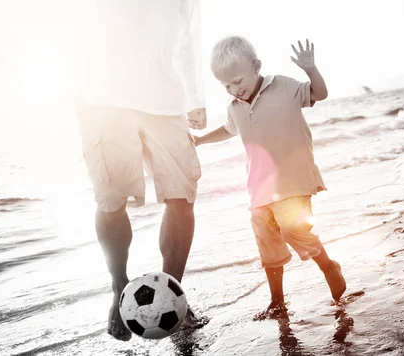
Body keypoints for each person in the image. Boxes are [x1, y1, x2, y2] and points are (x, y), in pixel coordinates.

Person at [74, 0, 207, 340]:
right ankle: (118, 289)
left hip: (165, 98)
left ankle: (171, 294)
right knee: (111, 201)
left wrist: (195, 97)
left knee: (182, 196)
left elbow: (186, 32)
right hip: (103, 99)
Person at [191, 36, 346, 320]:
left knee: (293, 229)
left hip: (294, 179)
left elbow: (319, 94)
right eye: (226, 86)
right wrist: (200, 140)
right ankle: (277, 301)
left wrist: (310, 69)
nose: (233, 89)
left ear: (256, 66)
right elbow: (228, 129)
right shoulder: (234, 106)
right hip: (259, 189)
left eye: (237, 81)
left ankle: (328, 266)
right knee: (268, 244)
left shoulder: (284, 86)